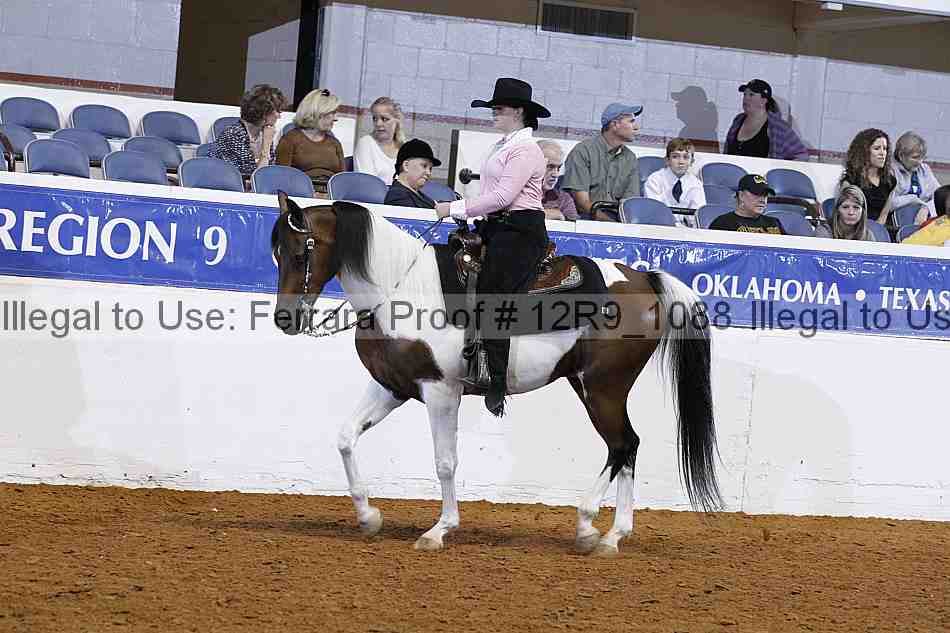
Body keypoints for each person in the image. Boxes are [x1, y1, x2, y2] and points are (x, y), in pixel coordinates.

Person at [434, 77, 549, 417]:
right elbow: (491, 196)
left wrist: (454, 208)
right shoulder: (504, 145)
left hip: (520, 231)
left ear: (519, 111)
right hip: (497, 226)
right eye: (494, 107)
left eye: (500, 107)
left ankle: (496, 379)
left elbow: (503, 196)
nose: (494, 111)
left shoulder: (526, 150)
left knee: (493, 294)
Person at [561, 102, 642, 221]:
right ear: (615, 124)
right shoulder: (582, 151)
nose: (636, 127)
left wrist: (622, 226)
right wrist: (611, 224)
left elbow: (629, 203)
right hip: (585, 219)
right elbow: (582, 203)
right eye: (631, 121)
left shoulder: (630, 158)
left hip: (617, 220)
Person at [276, 88, 345, 194]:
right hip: (301, 195)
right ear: (318, 113)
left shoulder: (334, 143)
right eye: (333, 113)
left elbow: (343, 179)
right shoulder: (290, 140)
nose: (336, 118)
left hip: (331, 196)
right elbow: (282, 178)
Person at [211, 84, 287, 179]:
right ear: (264, 112)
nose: (279, 116)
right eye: (278, 111)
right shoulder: (234, 135)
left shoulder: (264, 134)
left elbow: (267, 176)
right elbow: (255, 179)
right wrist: (266, 147)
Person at [723, 79, 809, 161]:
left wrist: (781, 168)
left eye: (751, 95)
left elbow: (801, 155)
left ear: (763, 101)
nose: (746, 98)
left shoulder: (778, 127)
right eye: (745, 94)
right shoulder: (738, 120)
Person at [840, 128, 896, 225]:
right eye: (877, 148)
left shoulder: (890, 181)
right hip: (856, 228)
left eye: (885, 149)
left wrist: (876, 230)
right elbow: (848, 215)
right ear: (864, 152)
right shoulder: (851, 181)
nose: (882, 153)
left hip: (878, 229)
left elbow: (883, 216)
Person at [891, 131, 941, 226]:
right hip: (897, 224)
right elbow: (888, 203)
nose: (920, 162)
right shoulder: (890, 170)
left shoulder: (924, 169)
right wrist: (913, 199)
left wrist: (926, 208)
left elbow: (941, 197)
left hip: (924, 220)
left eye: (923, 157)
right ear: (901, 155)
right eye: (915, 157)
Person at [709, 174, 785, 235]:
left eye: (765, 195)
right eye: (757, 194)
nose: (762, 200)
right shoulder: (723, 223)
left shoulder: (774, 222)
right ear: (741, 195)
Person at [644, 138, 706, 210]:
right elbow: (653, 209)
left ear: (692, 161)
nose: (681, 162)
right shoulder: (655, 180)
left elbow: (698, 212)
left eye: (686, 157)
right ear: (667, 160)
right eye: (675, 157)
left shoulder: (696, 183)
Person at [354, 97, 405, 183]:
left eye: (384, 119)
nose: (378, 123)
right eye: (375, 118)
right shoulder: (365, 143)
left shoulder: (403, 147)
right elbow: (366, 183)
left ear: (397, 121)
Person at [383, 138, 441, 209]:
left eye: (430, 168)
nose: (429, 173)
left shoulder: (422, 197)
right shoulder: (397, 196)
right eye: (424, 166)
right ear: (406, 166)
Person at [536, 139, 577, 221]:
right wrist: (551, 214)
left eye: (558, 168)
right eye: (550, 167)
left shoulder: (564, 199)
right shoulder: (516, 193)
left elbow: (574, 226)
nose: (556, 174)